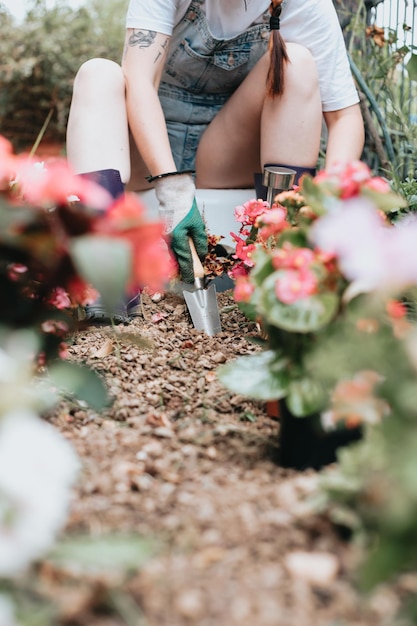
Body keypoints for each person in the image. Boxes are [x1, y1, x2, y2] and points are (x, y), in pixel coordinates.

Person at [66, 0, 364, 322]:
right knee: (97, 75)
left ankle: (284, 263)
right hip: (147, 147)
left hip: (223, 152)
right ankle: (107, 279)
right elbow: (140, 82)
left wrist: (327, 210)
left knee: (296, 63)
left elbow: (345, 117)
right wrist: (173, 191)